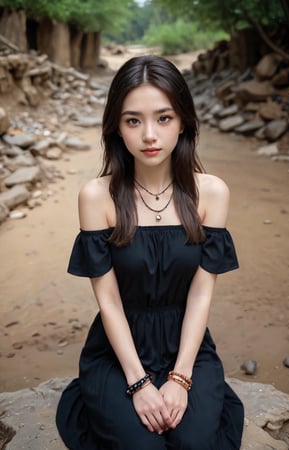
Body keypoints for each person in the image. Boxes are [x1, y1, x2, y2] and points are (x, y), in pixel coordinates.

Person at [56, 55, 244, 449]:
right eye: (133, 120)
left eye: (163, 118)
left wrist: (180, 378)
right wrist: (139, 382)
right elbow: (108, 301)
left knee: (194, 443)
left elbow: (201, 292)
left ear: (184, 122)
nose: (149, 136)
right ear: (117, 128)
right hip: (117, 350)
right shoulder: (97, 196)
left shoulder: (211, 192)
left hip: (187, 347)